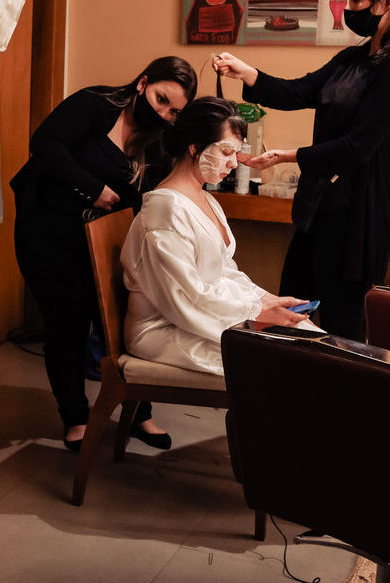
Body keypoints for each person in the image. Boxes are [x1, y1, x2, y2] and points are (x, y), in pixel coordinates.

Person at [214, 0, 390, 340]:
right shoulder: (352, 58)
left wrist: (286, 156)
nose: (347, 8)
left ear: (387, 2)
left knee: (340, 328)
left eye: (356, 0)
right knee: (295, 310)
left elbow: (358, 147)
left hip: (358, 215)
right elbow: (300, 90)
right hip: (320, 205)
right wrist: (248, 73)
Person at [12, 57, 198, 452]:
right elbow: (45, 143)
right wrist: (90, 187)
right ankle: (75, 417)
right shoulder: (95, 104)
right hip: (49, 231)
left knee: (123, 325)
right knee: (68, 325)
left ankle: (138, 413)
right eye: (160, 99)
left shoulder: (159, 141)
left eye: (174, 111)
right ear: (142, 82)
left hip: (103, 241)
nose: (163, 113)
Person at [121, 97, 311, 376]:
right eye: (226, 152)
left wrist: (265, 299)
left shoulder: (206, 198)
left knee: (305, 336)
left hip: (202, 311)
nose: (234, 163)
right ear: (195, 147)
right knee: (287, 363)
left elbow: (223, 272)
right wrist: (254, 312)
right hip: (165, 327)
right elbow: (186, 296)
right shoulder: (166, 210)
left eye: (236, 153)